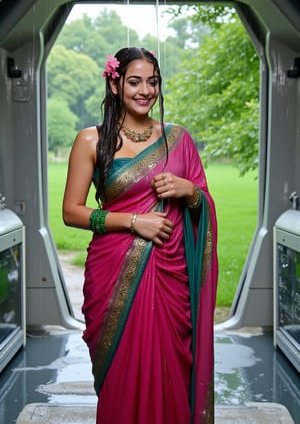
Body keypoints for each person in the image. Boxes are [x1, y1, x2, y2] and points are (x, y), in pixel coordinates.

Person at [63, 47, 218, 424]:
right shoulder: (90, 141)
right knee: (121, 373)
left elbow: (204, 206)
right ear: (115, 84)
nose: (145, 90)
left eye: (153, 81)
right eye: (134, 81)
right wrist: (134, 221)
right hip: (113, 274)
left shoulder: (178, 139)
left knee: (170, 367)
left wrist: (190, 192)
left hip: (170, 278)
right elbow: (72, 212)